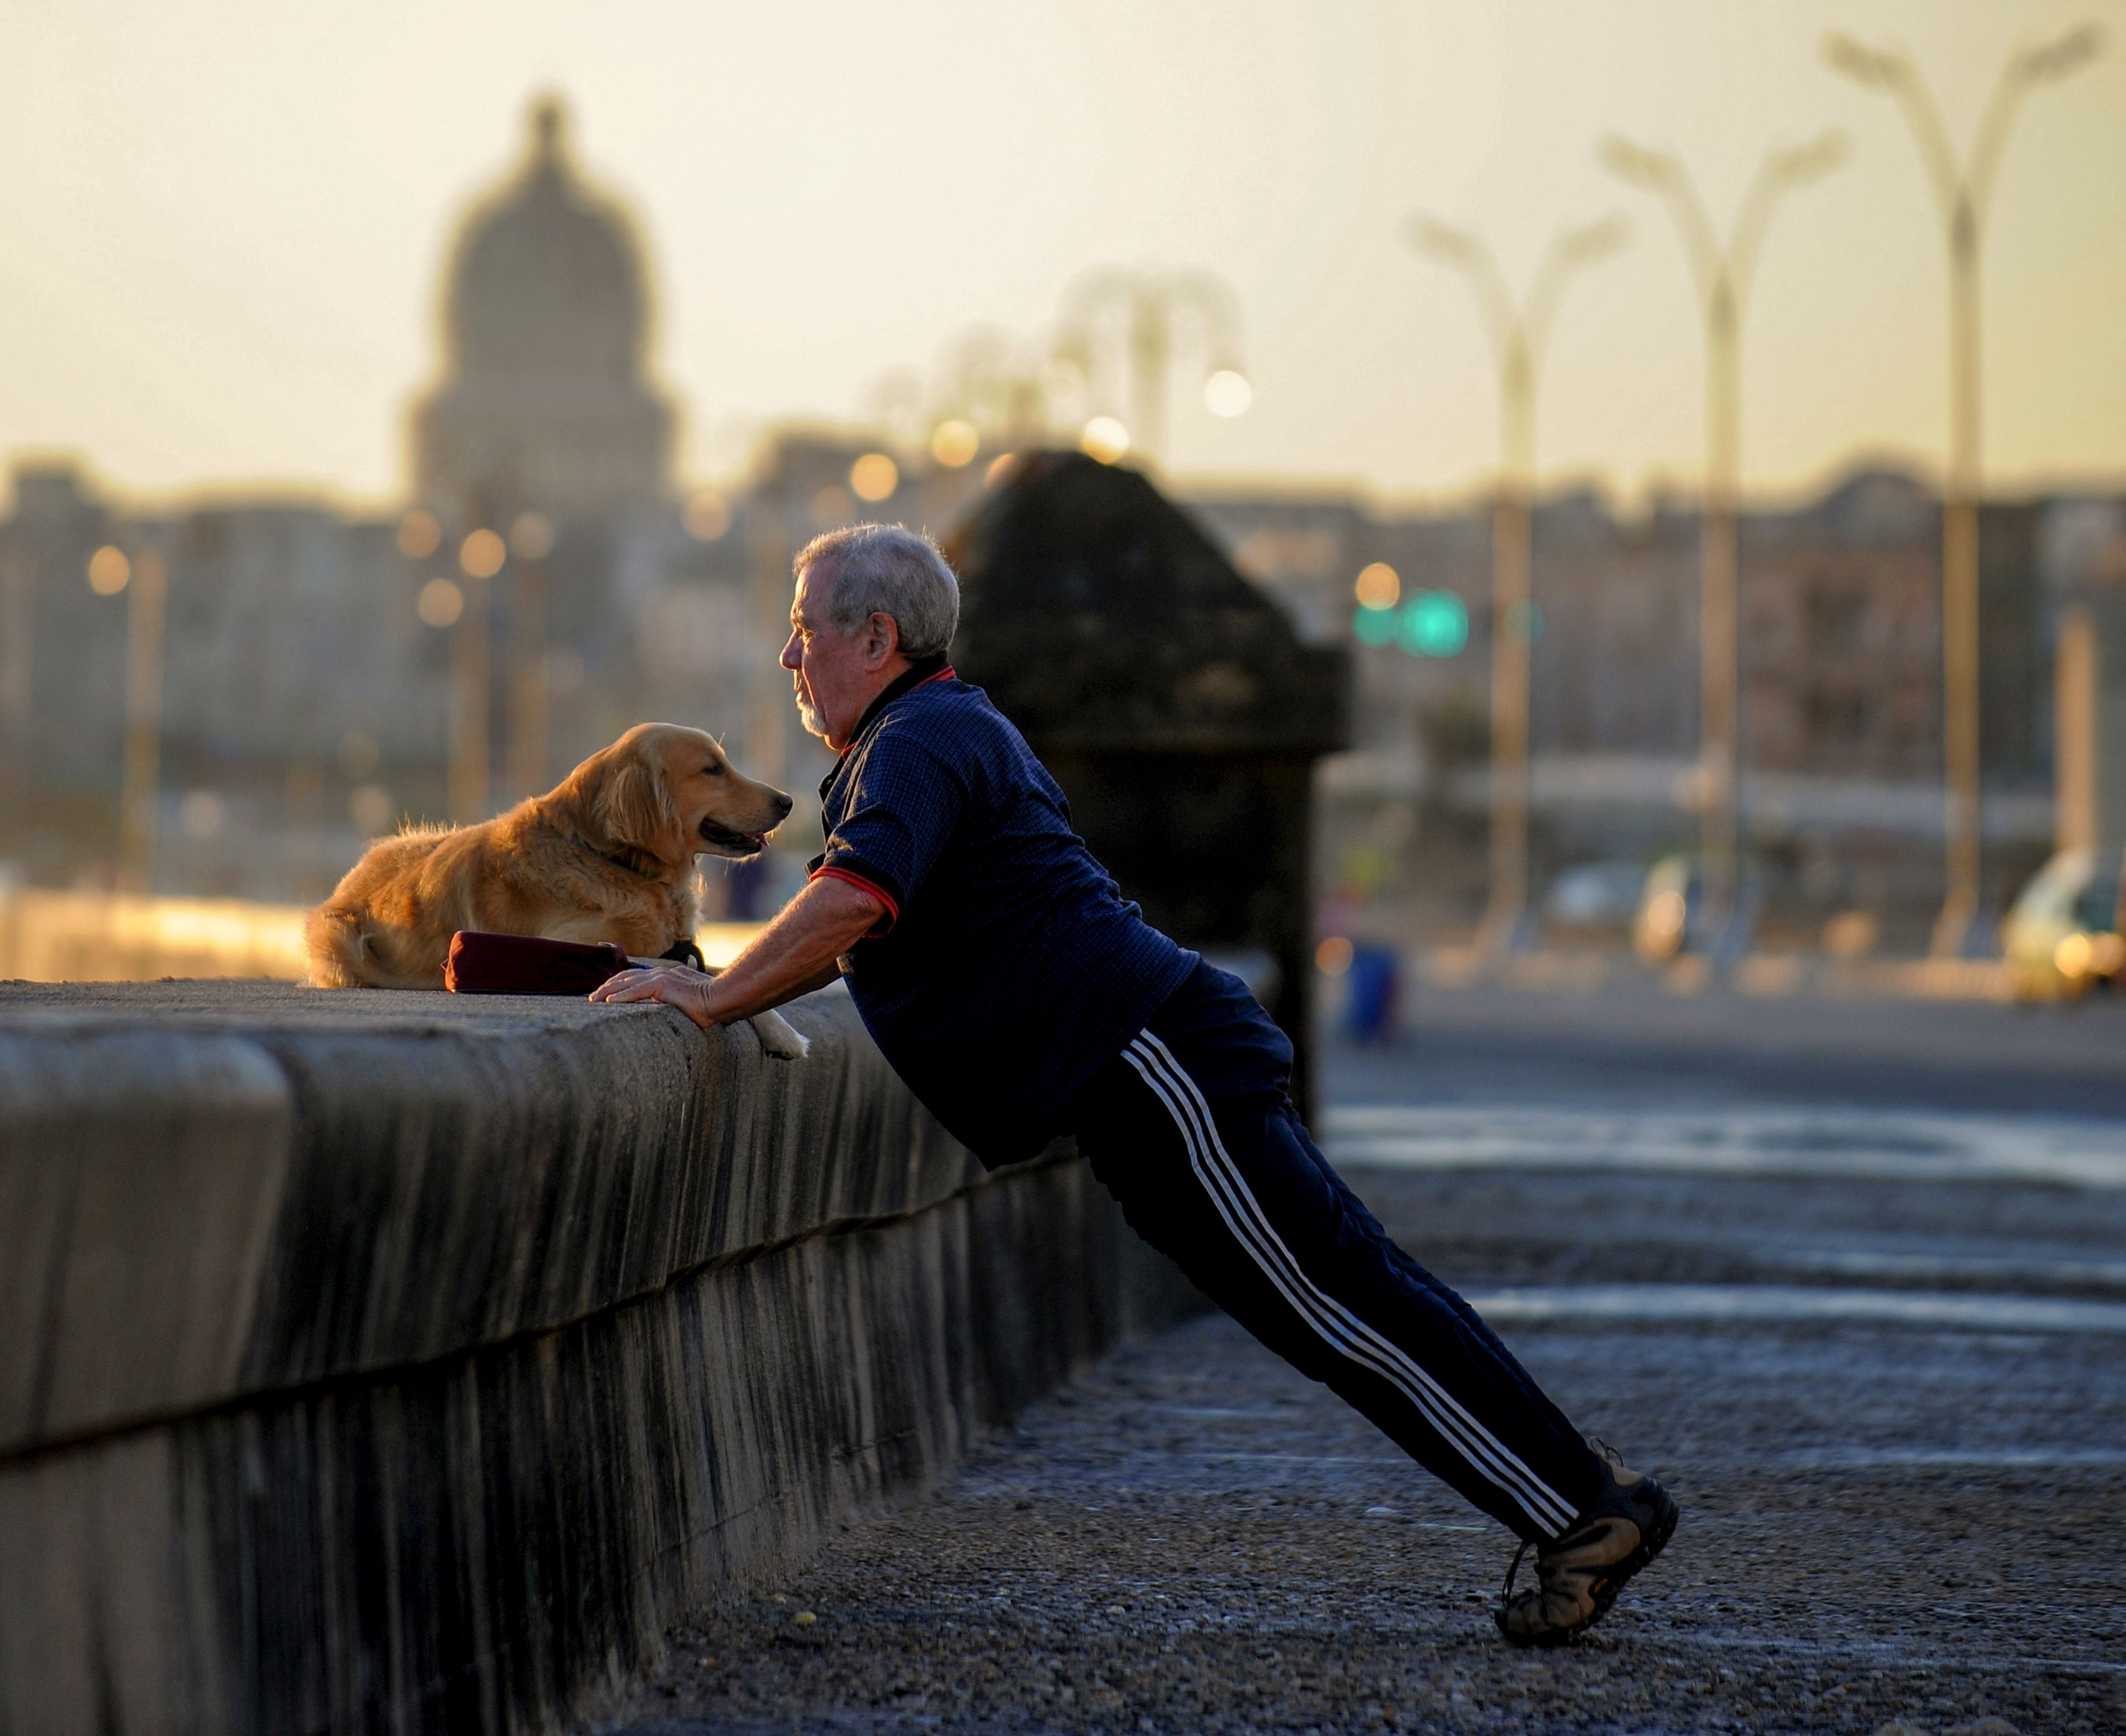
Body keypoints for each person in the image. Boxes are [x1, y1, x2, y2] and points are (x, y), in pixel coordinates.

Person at [592, 523, 1673, 1645]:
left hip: (1156, 1064)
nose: (788, 656)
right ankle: (1579, 1494)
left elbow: (855, 898)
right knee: (1347, 1290)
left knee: (1341, 1305)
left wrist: (713, 999)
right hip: (1151, 1065)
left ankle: (1585, 1510)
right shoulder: (937, 726)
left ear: (877, 636)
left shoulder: (918, 738)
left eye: (804, 629)